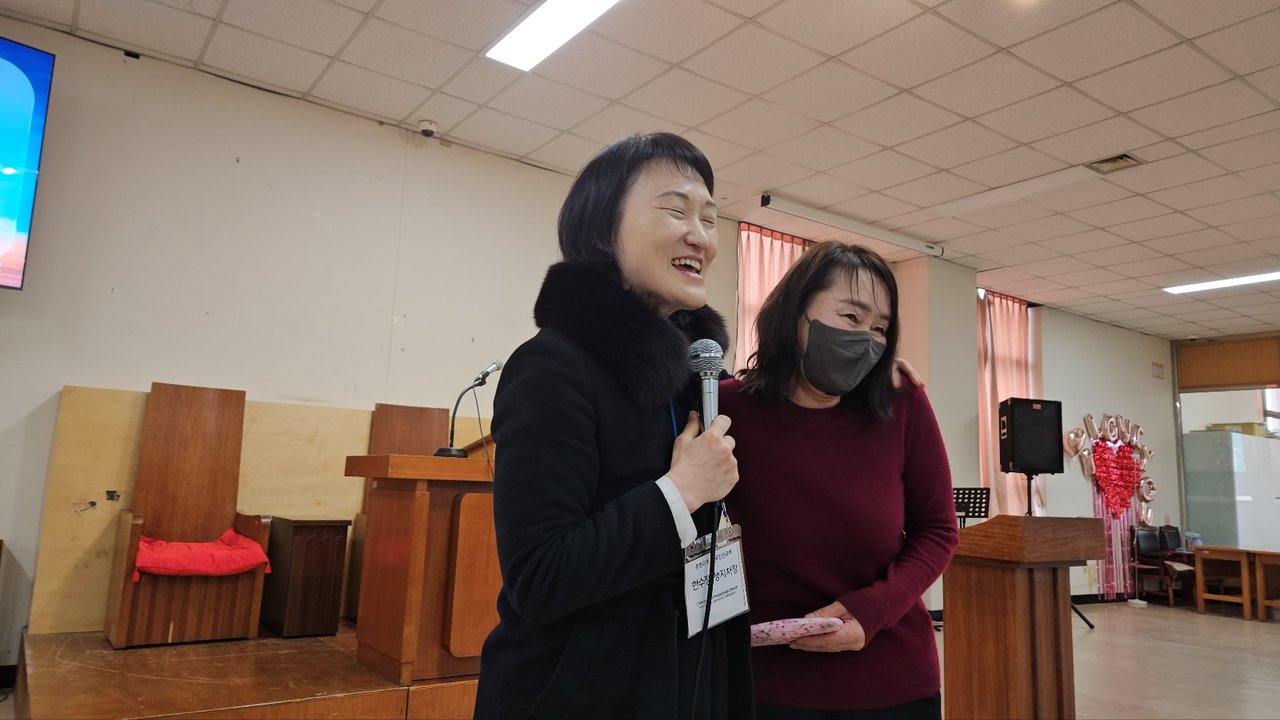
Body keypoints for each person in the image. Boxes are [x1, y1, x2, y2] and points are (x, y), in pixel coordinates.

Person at [475, 133, 754, 719]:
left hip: (687, 671)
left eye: (709, 219)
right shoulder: (551, 366)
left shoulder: (695, 374)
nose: (701, 237)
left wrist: (876, 378)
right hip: (580, 692)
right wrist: (680, 492)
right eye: (676, 211)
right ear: (602, 231)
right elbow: (540, 578)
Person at [720, 242, 958, 720]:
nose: (867, 339)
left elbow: (937, 531)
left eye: (880, 329)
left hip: (892, 677)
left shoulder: (901, 402)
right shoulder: (727, 409)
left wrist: (871, 611)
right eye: (851, 317)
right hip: (766, 681)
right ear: (796, 312)